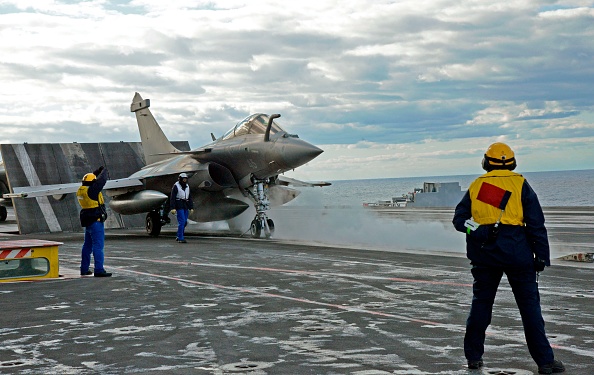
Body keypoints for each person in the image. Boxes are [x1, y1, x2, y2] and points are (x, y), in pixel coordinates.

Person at [452, 142, 564, 374]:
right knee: (530, 309)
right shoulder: (521, 184)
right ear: (512, 162)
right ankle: (545, 362)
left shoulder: (477, 186)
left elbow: (460, 220)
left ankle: (473, 357)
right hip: (518, 252)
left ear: (486, 162)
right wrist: (541, 256)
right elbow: (536, 224)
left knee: (481, 305)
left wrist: (480, 230)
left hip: (484, 255)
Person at [76, 166, 112, 277]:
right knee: (98, 246)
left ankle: (84, 269)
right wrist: (105, 170)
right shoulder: (92, 191)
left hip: (88, 221)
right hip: (96, 222)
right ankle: (99, 270)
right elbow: (102, 181)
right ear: (92, 182)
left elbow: (92, 179)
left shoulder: (82, 190)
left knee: (87, 246)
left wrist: (96, 172)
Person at [170, 173, 193, 243]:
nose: (185, 180)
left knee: (185, 222)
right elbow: (172, 197)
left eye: (186, 179)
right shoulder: (176, 186)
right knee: (182, 221)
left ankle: (179, 235)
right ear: (180, 179)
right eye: (183, 179)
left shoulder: (187, 186)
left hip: (185, 204)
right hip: (179, 204)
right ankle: (180, 238)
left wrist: (191, 207)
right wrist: (173, 208)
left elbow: (189, 197)